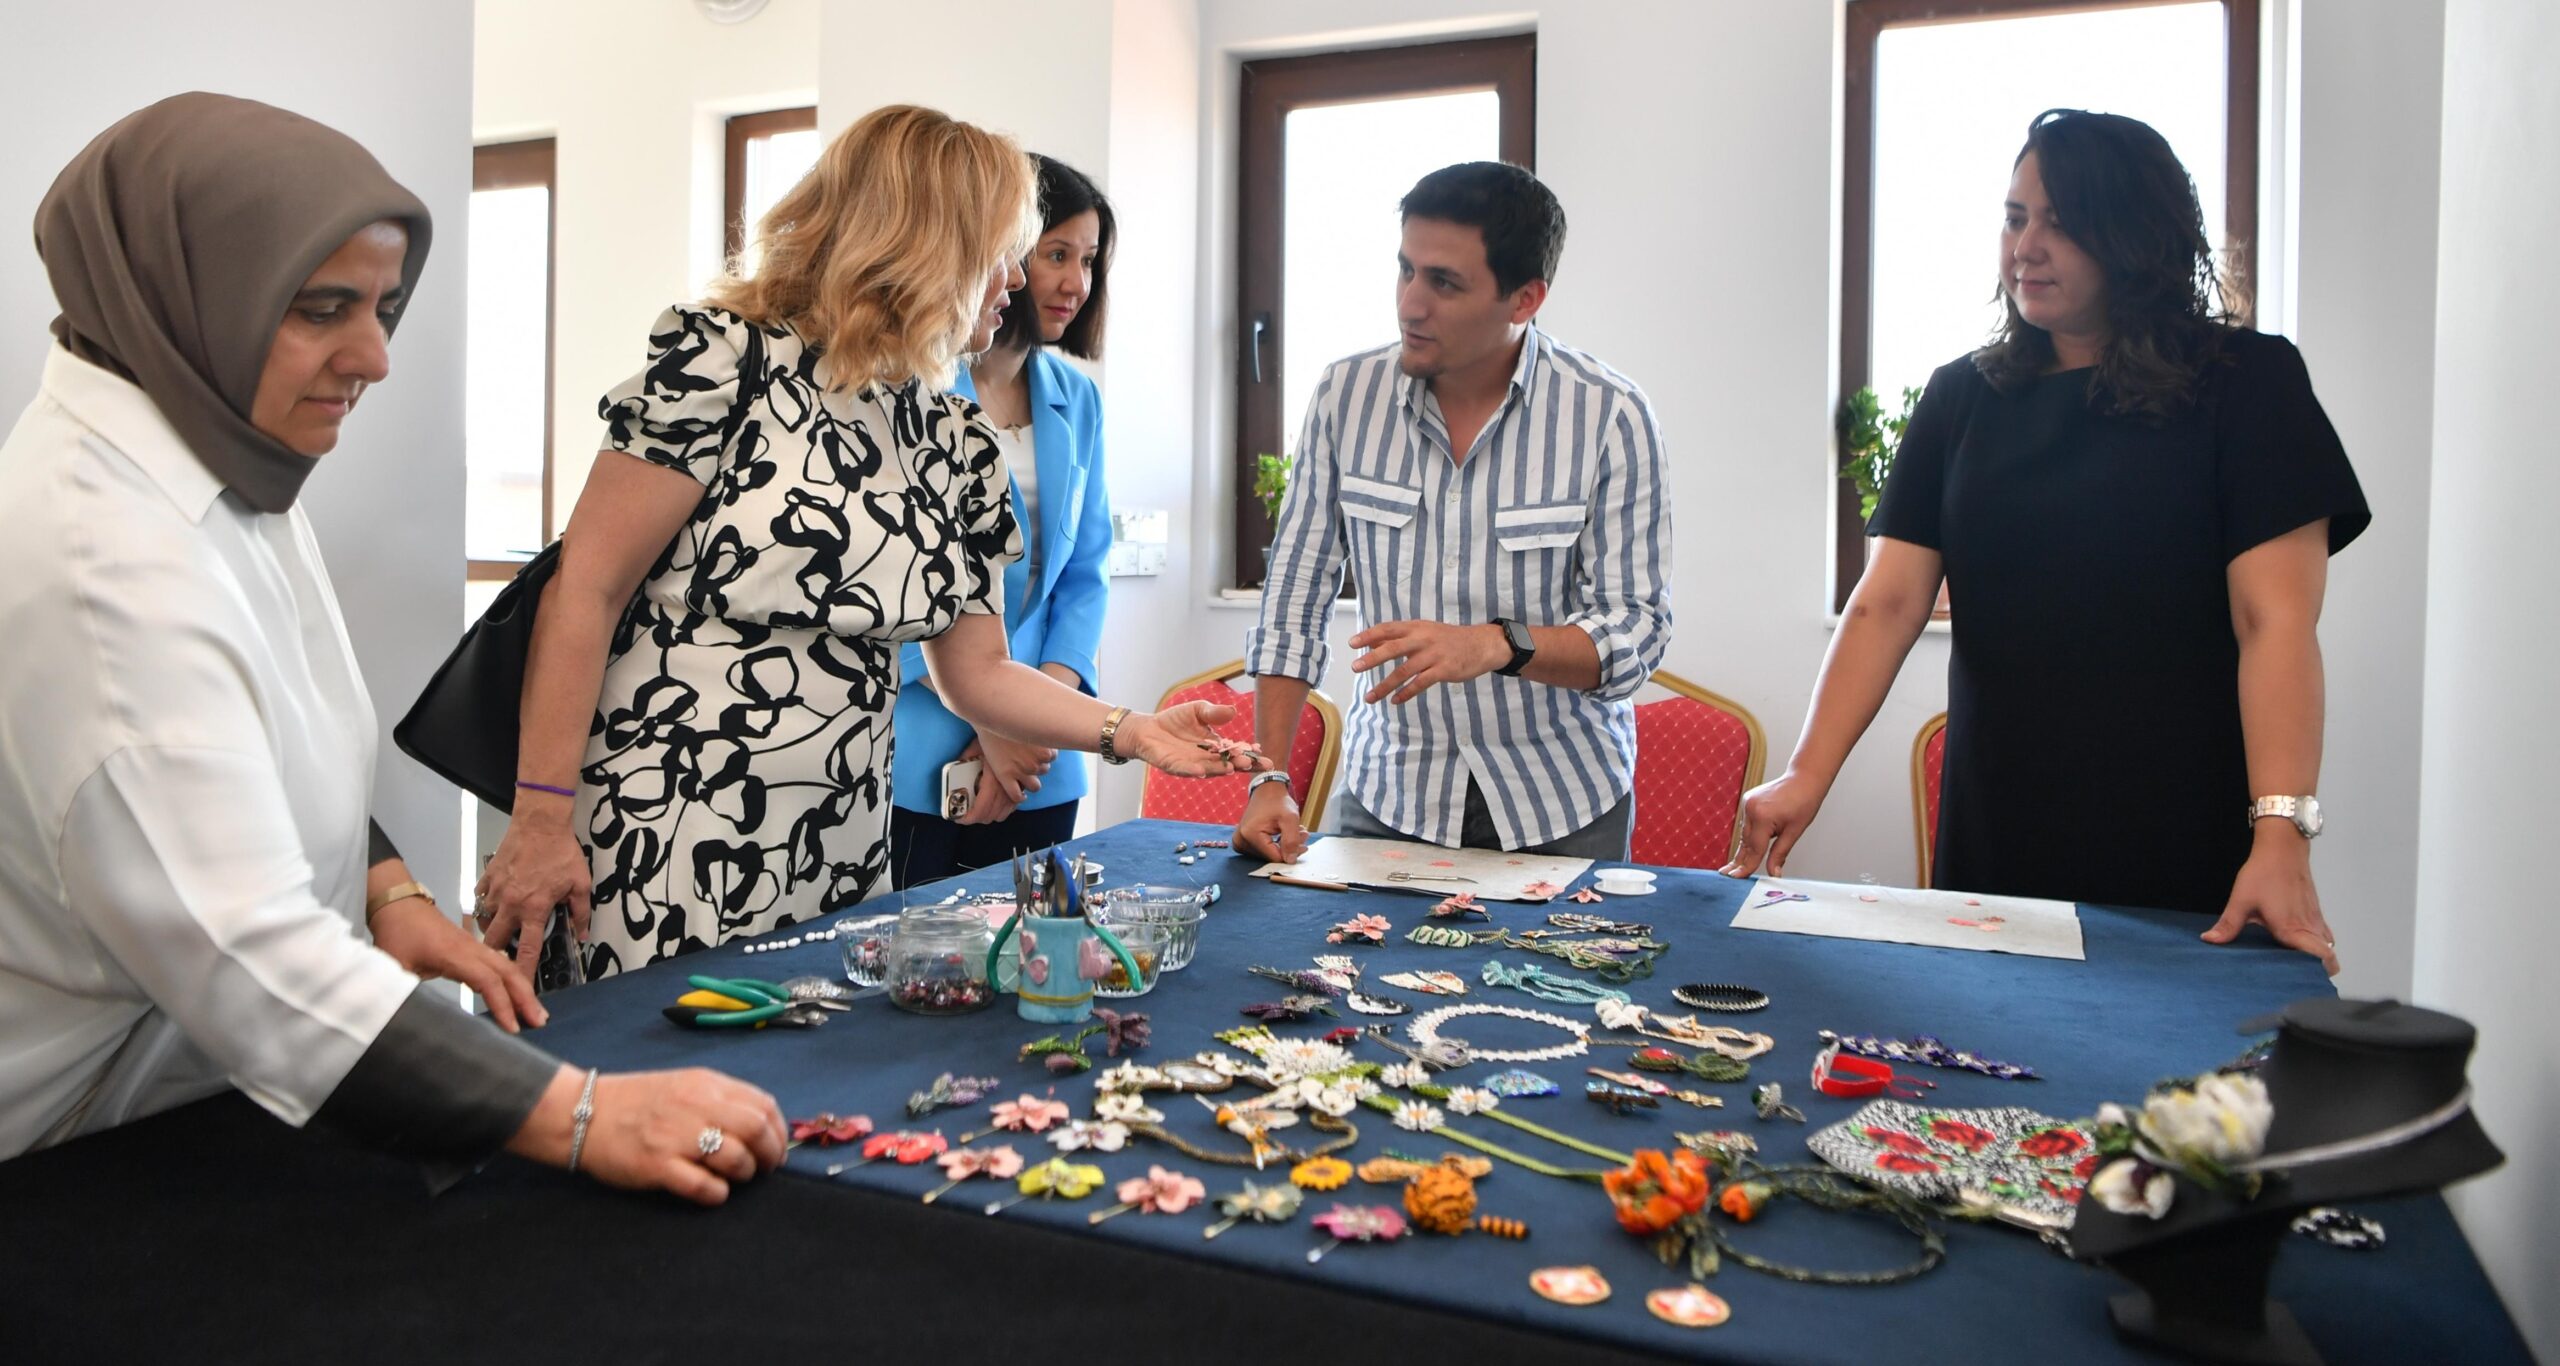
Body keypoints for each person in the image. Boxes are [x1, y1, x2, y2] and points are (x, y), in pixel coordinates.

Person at [0, 93, 785, 1202]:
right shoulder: (104, 563)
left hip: (203, 1112)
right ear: (186, 296)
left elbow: (256, 752)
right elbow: (251, 965)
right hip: (72, 1164)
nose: (373, 356)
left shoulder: (216, 465)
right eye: (321, 310)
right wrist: (583, 1112)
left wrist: (389, 894)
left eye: (384, 307)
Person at [477, 106, 1258, 978]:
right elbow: (586, 590)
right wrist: (539, 818)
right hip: (669, 818)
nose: (1015, 279)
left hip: (843, 838)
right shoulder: (722, 364)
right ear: (926, 245)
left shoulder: (952, 437)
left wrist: (1134, 732)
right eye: (1002, 250)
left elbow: (980, 674)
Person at [1723, 109, 2367, 973]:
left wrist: (2282, 835)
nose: (2026, 247)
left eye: (2061, 222)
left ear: (2136, 236)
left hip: (2188, 839)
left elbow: (2275, 624)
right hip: (2001, 834)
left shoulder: (2248, 386)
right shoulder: (1961, 398)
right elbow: (1887, 605)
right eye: (2015, 218)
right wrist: (1805, 776)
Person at [1238, 161, 1672, 862]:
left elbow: (1635, 632)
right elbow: (1293, 597)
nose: (1410, 305)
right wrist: (1269, 778)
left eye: (1443, 283)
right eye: (1405, 270)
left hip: (1562, 801)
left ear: (1524, 299)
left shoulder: (1609, 414)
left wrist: (1498, 644)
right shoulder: (1345, 397)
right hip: (1390, 793)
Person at [890, 154, 1116, 885]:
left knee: (1034, 946)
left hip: (1040, 759)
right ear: (999, 253)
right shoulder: (910, 387)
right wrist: (988, 717)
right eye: (1056, 255)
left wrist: (1033, 713)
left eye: (1088, 260)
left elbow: (1085, 575)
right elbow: (889, 577)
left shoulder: (1078, 398)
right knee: (912, 943)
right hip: (922, 737)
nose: (1076, 283)